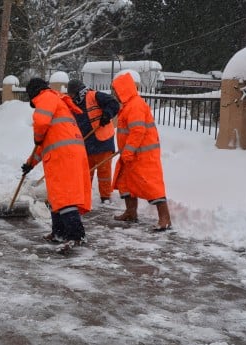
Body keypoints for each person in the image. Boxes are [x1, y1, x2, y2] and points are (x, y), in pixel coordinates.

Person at [21, 78, 91, 254]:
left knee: (64, 195)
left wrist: (37, 136)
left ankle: (76, 235)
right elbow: (43, 145)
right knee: (56, 195)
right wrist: (30, 164)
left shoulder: (45, 97)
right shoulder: (55, 102)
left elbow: (41, 125)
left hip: (64, 155)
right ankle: (59, 232)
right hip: (65, 153)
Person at [111, 70, 172, 231]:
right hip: (131, 153)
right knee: (125, 182)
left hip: (143, 155)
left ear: (123, 90)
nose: (115, 94)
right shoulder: (128, 106)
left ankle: (165, 218)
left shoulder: (136, 105)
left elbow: (138, 131)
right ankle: (131, 212)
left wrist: (129, 151)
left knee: (150, 184)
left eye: (116, 91)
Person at [67, 79, 119, 205]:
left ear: (78, 91)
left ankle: (105, 198)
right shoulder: (74, 104)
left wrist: (107, 115)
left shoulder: (94, 95)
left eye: (73, 94)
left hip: (103, 140)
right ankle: (83, 195)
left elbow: (113, 104)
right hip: (86, 143)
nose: (72, 97)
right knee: (85, 172)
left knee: (104, 172)